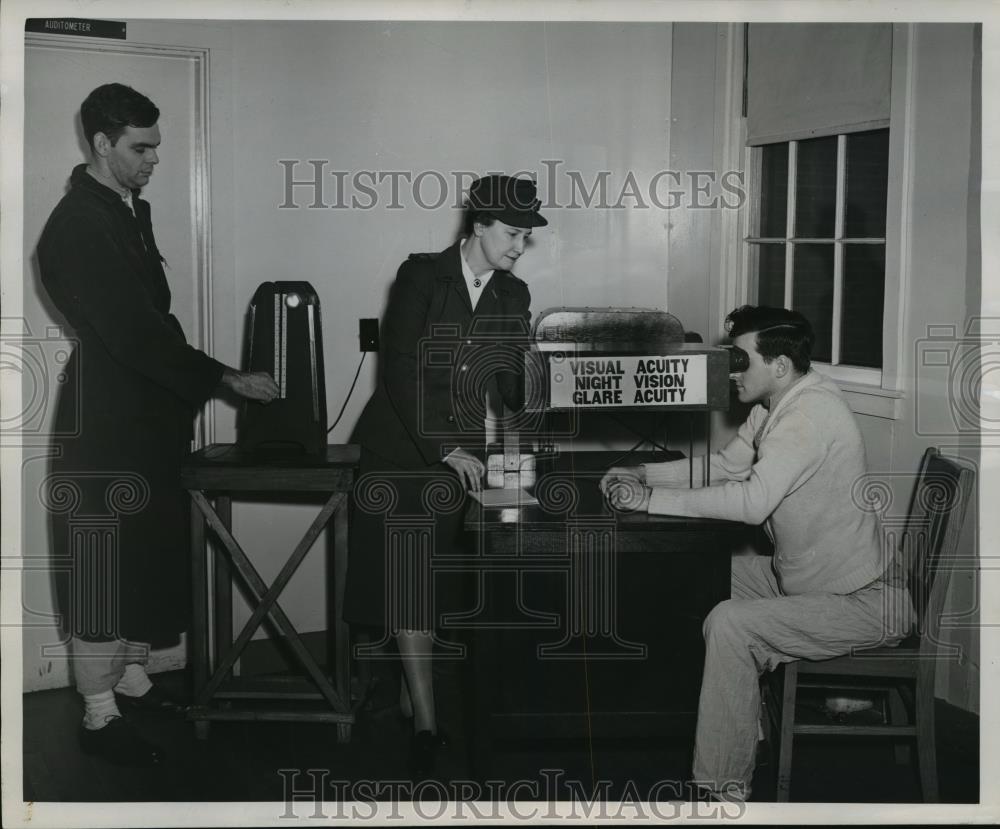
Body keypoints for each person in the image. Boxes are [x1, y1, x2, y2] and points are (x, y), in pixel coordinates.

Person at [37, 83, 279, 767]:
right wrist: (224, 376)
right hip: (106, 422)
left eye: (156, 147)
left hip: (141, 418)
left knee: (139, 556)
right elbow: (139, 333)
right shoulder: (78, 224)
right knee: (102, 566)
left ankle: (132, 680)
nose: (153, 160)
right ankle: (98, 712)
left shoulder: (124, 207)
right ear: (101, 144)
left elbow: (154, 320)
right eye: (140, 148)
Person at [600, 305, 914, 801]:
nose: (730, 370)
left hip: (869, 603)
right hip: (811, 581)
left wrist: (650, 500)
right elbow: (726, 467)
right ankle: (744, 732)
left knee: (730, 622)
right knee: (704, 576)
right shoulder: (777, 404)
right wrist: (643, 474)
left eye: (740, 359)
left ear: (780, 366)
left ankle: (723, 793)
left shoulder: (809, 416)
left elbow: (750, 503)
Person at [345, 175, 546, 778]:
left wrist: (542, 378)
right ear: (478, 226)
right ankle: (429, 731)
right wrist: (447, 447)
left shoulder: (514, 296)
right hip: (401, 453)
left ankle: (414, 698)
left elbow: (510, 388)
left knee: (432, 589)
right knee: (410, 586)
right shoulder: (421, 275)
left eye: (527, 236)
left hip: (461, 460)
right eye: (512, 233)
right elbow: (400, 370)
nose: (519, 246)